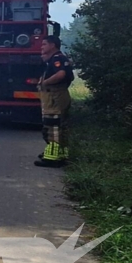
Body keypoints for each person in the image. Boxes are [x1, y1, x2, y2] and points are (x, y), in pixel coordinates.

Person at [34, 36, 73, 167]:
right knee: (58, 126)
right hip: (55, 97)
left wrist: (45, 83)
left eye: (44, 44)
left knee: (52, 127)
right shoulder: (56, 59)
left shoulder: (57, 59)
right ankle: (60, 154)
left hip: (55, 98)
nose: (42, 47)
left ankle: (52, 158)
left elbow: (61, 74)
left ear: (53, 45)